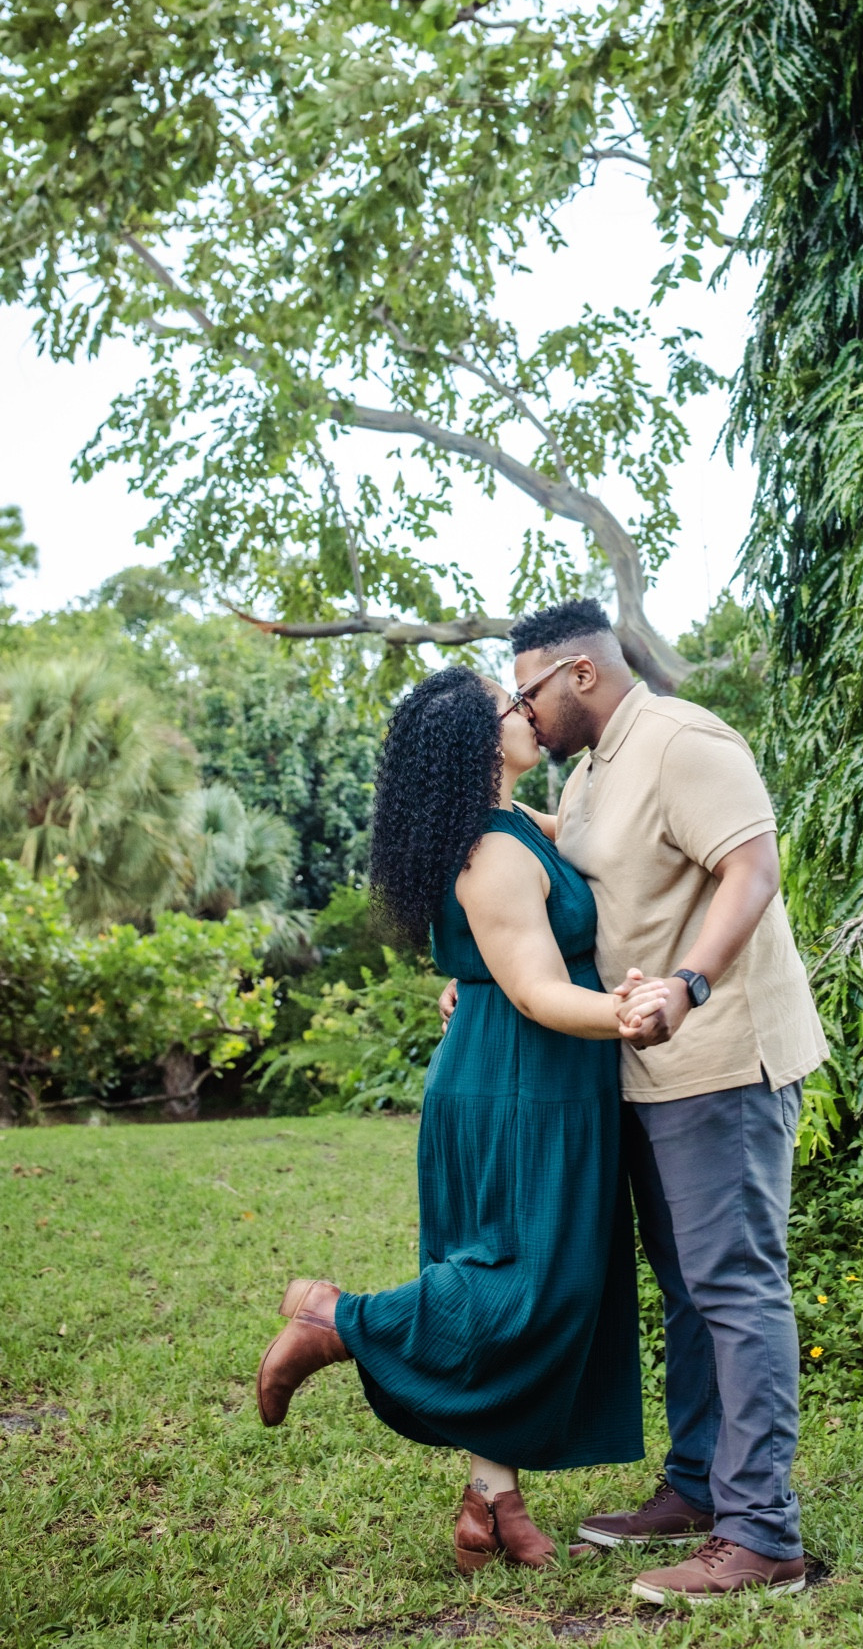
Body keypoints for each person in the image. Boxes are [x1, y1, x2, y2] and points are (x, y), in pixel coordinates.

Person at [447, 598, 829, 1604]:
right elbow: (564, 862)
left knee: (733, 1286)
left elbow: (752, 867)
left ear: (579, 673)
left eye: (526, 688)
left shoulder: (680, 740)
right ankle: (700, 1485)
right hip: (645, 1068)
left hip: (720, 1058)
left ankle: (761, 1537)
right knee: (689, 1287)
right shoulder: (591, 767)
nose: (522, 707)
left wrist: (688, 981)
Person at [255, 664, 667, 1572]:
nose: (529, 714)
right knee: (526, 1284)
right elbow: (534, 989)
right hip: (519, 1078)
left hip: (542, 1076)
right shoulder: (490, 850)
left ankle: (492, 1497)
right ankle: (336, 1319)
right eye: (511, 707)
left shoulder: (521, 823)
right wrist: (632, 1011)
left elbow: (615, 850)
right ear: (478, 743)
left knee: (554, 1279)